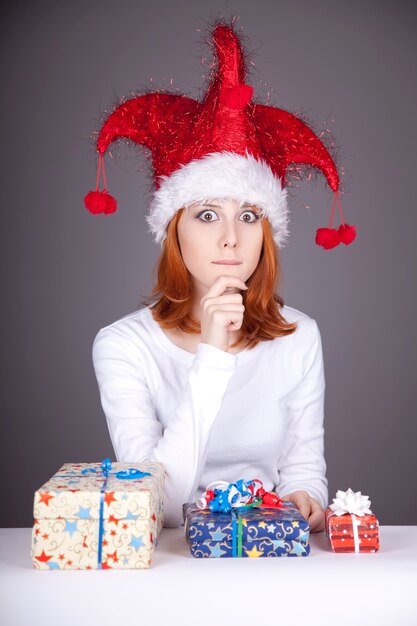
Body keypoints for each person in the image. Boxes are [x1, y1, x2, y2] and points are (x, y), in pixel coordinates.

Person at [86, 21, 356, 533]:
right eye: (207, 215)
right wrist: (211, 353)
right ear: (174, 230)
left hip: (266, 554)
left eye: (250, 215)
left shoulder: (299, 336)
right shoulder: (123, 345)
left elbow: (302, 468)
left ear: (266, 233)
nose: (231, 237)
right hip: (169, 568)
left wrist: (304, 498)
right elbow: (157, 507)